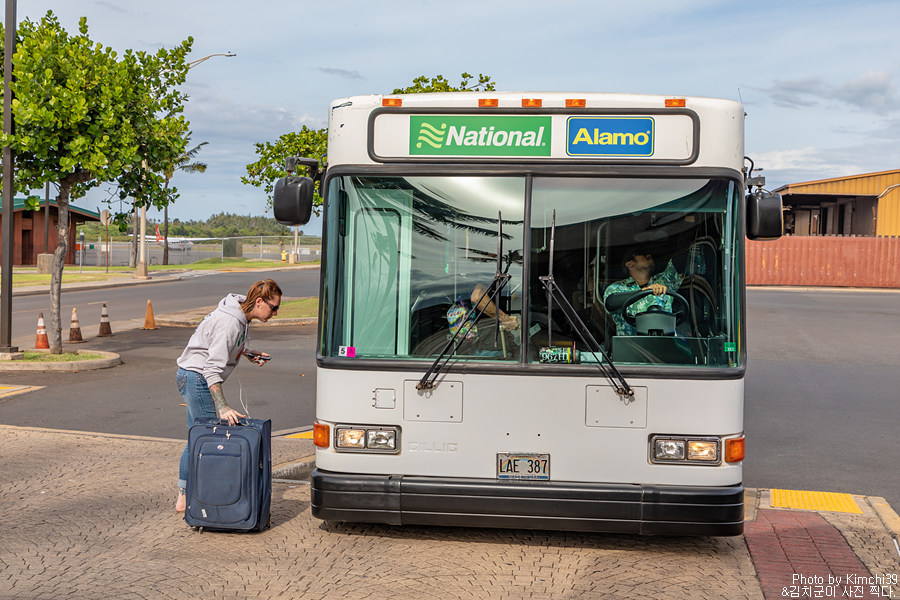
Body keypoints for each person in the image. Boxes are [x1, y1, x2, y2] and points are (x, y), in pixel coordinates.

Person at [174, 278, 282, 513]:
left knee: (196, 439)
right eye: (273, 308)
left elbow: (218, 346)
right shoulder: (231, 321)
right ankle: (199, 496)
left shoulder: (240, 317)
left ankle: (185, 495)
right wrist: (222, 406)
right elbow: (211, 368)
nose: (274, 314)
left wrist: (245, 352)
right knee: (206, 439)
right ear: (260, 301)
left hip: (192, 375)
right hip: (197, 378)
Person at [603, 249, 681, 336]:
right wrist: (645, 291)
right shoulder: (617, 288)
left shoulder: (664, 281)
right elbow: (611, 302)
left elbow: (681, 257)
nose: (649, 255)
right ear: (630, 264)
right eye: (641, 253)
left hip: (666, 346)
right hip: (631, 347)